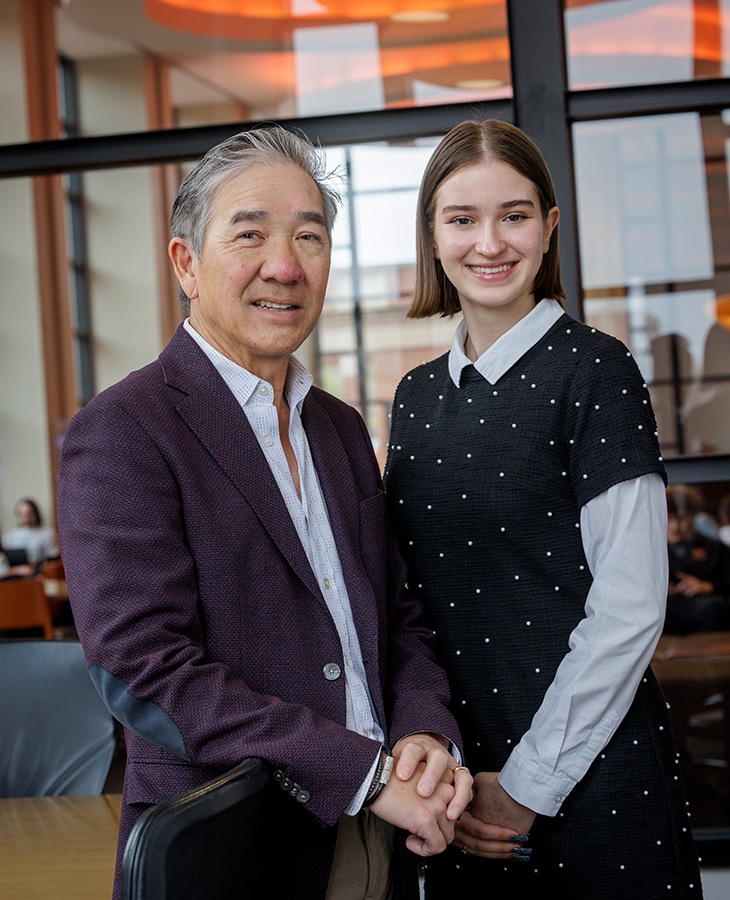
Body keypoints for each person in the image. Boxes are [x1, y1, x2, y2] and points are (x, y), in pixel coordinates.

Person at [57, 126, 472, 900]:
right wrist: (361, 772)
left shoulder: (339, 426)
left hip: (384, 830)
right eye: (250, 234)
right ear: (187, 262)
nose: (284, 266)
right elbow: (143, 668)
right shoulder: (124, 429)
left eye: (308, 237)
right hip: (237, 843)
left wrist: (422, 733)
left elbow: (398, 615)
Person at [385, 119, 702, 898]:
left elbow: (630, 608)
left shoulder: (598, 371)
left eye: (514, 215)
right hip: (456, 788)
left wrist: (526, 784)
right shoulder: (416, 397)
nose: (489, 243)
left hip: (587, 771)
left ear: (549, 226)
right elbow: (409, 598)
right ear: (431, 234)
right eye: (461, 219)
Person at [665, 484, 730, 634]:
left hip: (704, 608)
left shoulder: (715, 549)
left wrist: (707, 587)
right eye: (669, 519)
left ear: (694, 515)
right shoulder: (652, 552)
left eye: (682, 518)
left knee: (716, 607)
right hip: (667, 610)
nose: (675, 527)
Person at [1, 498, 58, 566]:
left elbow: (53, 558)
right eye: (22, 514)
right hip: (15, 572)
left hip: (39, 571)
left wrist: (39, 561)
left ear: (35, 513)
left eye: (29, 514)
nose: (26, 517)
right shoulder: (9, 536)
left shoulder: (48, 533)